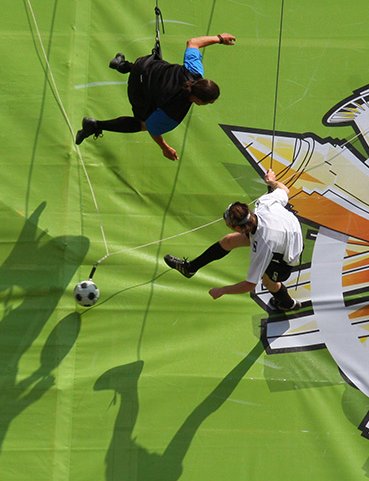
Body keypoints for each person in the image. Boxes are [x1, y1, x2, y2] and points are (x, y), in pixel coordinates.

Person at [75, 33, 236, 160]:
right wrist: (165, 147)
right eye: (209, 103)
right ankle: (95, 125)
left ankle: (122, 65)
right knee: (142, 123)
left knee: (154, 70)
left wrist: (220, 38)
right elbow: (152, 128)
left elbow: (193, 42)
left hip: (144, 64)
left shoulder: (195, 72)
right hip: (138, 88)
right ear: (199, 100)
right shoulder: (175, 110)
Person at [163, 169, 303, 311]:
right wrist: (272, 182)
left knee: (268, 282)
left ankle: (288, 304)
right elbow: (284, 190)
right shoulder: (264, 203)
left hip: (289, 250)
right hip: (282, 230)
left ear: (238, 227)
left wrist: (222, 290)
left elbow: (250, 284)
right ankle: (190, 269)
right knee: (229, 241)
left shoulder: (263, 245)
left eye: (228, 224)